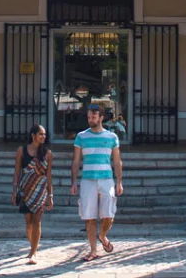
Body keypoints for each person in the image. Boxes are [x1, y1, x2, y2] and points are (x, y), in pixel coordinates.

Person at [70, 103, 123, 262]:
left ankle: (103, 235)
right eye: (88, 117)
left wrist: (119, 181)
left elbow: (117, 161)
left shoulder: (112, 137)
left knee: (108, 215)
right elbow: (76, 161)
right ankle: (93, 250)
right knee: (89, 216)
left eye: (93, 117)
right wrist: (73, 181)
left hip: (107, 179)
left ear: (101, 117)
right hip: (87, 180)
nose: (90, 120)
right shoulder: (81, 136)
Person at [12, 124, 53, 265]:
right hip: (26, 190)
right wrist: (14, 190)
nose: (43, 137)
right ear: (33, 135)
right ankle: (32, 246)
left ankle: (33, 252)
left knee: (37, 221)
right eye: (41, 134)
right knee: (28, 222)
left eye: (44, 134)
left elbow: (48, 176)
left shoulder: (47, 153)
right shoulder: (21, 151)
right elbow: (17, 171)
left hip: (40, 191)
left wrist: (50, 195)